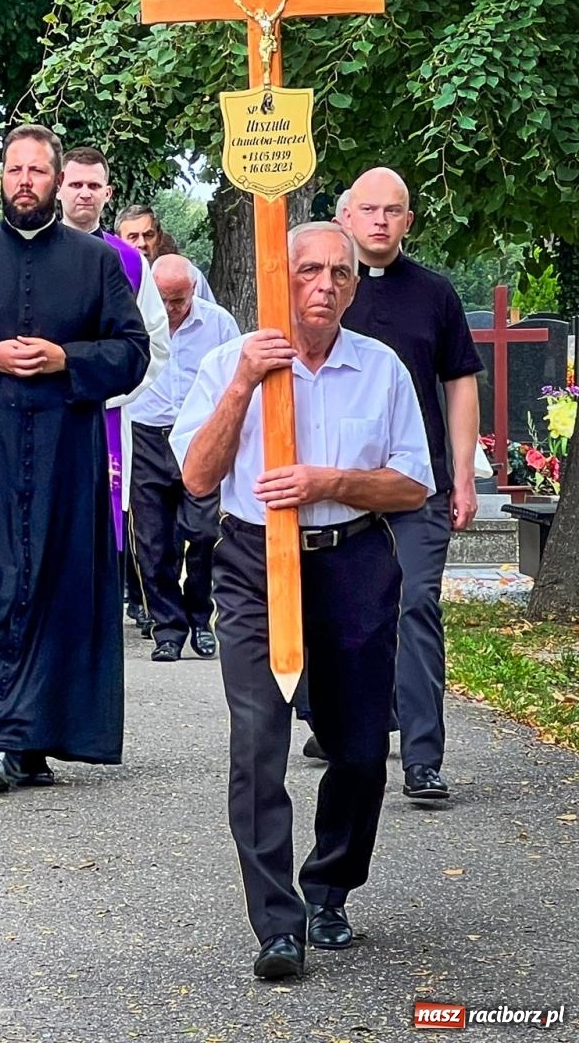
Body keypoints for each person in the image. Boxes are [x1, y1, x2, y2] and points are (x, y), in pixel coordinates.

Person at [171, 220, 432, 980]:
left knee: (356, 747)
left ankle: (330, 890)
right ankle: (276, 923)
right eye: (310, 271)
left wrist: (329, 482)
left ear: (355, 284)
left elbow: (412, 482)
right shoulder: (228, 360)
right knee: (257, 744)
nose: (325, 286)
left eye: (340, 274)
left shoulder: (379, 369)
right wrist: (245, 383)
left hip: (351, 558)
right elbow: (195, 475)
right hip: (254, 560)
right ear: (280, 278)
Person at [0, 125, 150, 789]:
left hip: (65, 456)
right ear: (1, 178)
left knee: (52, 586)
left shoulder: (96, 262)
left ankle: (28, 736)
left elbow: (133, 352)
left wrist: (66, 358)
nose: (24, 182)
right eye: (14, 170)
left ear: (55, 178)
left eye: (37, 171)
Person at [338, 167, 482, 801]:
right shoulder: (323, 289)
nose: (379, 221)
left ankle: (422, 756)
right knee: (339, 612)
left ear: (408, 221)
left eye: (392, 211)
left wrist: (464, 476)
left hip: (418, 486)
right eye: (367, 209)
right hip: (339, 485)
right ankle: (341, 724)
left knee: (415, 607)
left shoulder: (435, 294)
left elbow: (459, 383)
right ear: (345, 217)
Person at [56, 146, 171, 619]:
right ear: (59, 187)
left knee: (95, 528)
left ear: (107, 193)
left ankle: (92, 624)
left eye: (93, 185)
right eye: (75, 184)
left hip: (102, 415)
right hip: (35, 412)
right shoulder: (26, 248)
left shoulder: (129, 261)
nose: (84, 193)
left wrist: (106, 392)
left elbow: (154, 345)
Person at [127, 255, 240, 662]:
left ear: (194, 289)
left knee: (207, 532)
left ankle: (199, 618)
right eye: (165, 299)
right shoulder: (133, 317)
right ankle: (167, 629)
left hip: (198, 437)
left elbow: (233, 380)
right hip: (145, 436)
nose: (173, 308)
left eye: (180, 299)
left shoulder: (218, 323)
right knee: (152, 542)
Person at [115, 204, 215, 302]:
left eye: (149, 235)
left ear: (159, 237)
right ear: (117, 242)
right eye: (133, 237)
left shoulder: (189, 275)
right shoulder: (108, 278)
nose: (142, 243)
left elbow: (209, 315)